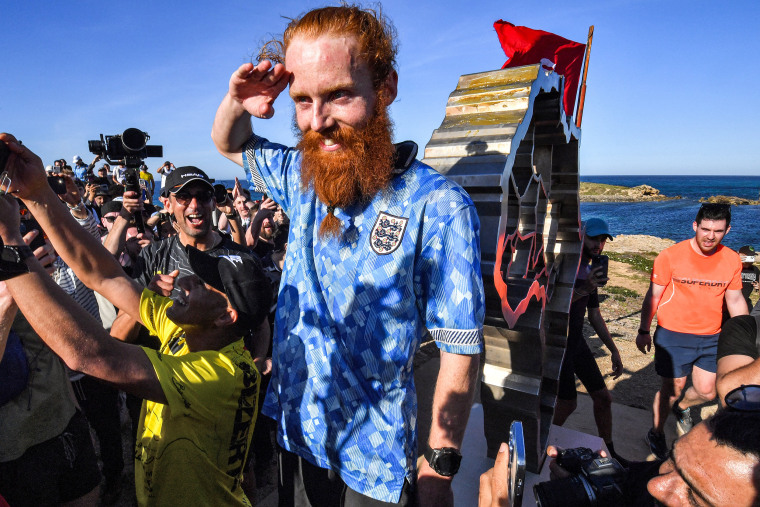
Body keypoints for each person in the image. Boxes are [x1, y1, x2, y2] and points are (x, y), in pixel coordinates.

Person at [211, 5, 485, 505]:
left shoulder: (438, 207)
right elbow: (229, 140)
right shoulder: (304, 178)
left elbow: (460, 348)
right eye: (302, 100)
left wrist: (440, 466)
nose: (318, 122)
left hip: (374, 462)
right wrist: (237, 101)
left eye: (338, 95)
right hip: (297, 430)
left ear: (385, 88)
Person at [0, 133, 271, 505]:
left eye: (205, 287)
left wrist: (10, 244)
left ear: (226, 317)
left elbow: (91, 355)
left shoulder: (221, 376)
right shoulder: (187, 326)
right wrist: (37, 193)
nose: (185, 279)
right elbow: (103, 273)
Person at [636, 203, 747, 459]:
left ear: (727, 230)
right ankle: (656, 432)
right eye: (705, 228)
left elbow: (735, 300)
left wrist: (744, 336)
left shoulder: (731, 259)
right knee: (672, 389)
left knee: (708, 391)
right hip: (673, 335)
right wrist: (643, 329)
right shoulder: (670, 256)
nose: (710, 236)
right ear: (695, 226)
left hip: (712, 336)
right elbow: (653, 297)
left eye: (717, 231)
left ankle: (684, 407)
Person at [479, 407, 760, 507]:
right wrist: (603, 473)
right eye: (672, 461)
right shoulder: (654, 480)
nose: (657, 486)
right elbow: (639, 479)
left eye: (695, 499)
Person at [553, 218, 625, 462]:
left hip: (576, 341)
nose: (599, 245)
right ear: (581, 235)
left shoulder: (592, 268)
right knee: (566, 403)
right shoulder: (566, 264)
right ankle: (541, 440)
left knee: (604, 398)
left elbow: (594, 314)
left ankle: (610, 454)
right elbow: (551, 307)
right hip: (557, 341)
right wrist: (585, 288)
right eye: (595, 238)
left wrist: (613, 350)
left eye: (604, 240)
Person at [738, 245, 759, 311]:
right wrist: (736, 260)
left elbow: (757, 282)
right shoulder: (734, 267)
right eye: (749, 256)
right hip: (731, 301)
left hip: (746, 301)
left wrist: (758, 286)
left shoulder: (755, 269)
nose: (752, 259)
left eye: (753, 256)